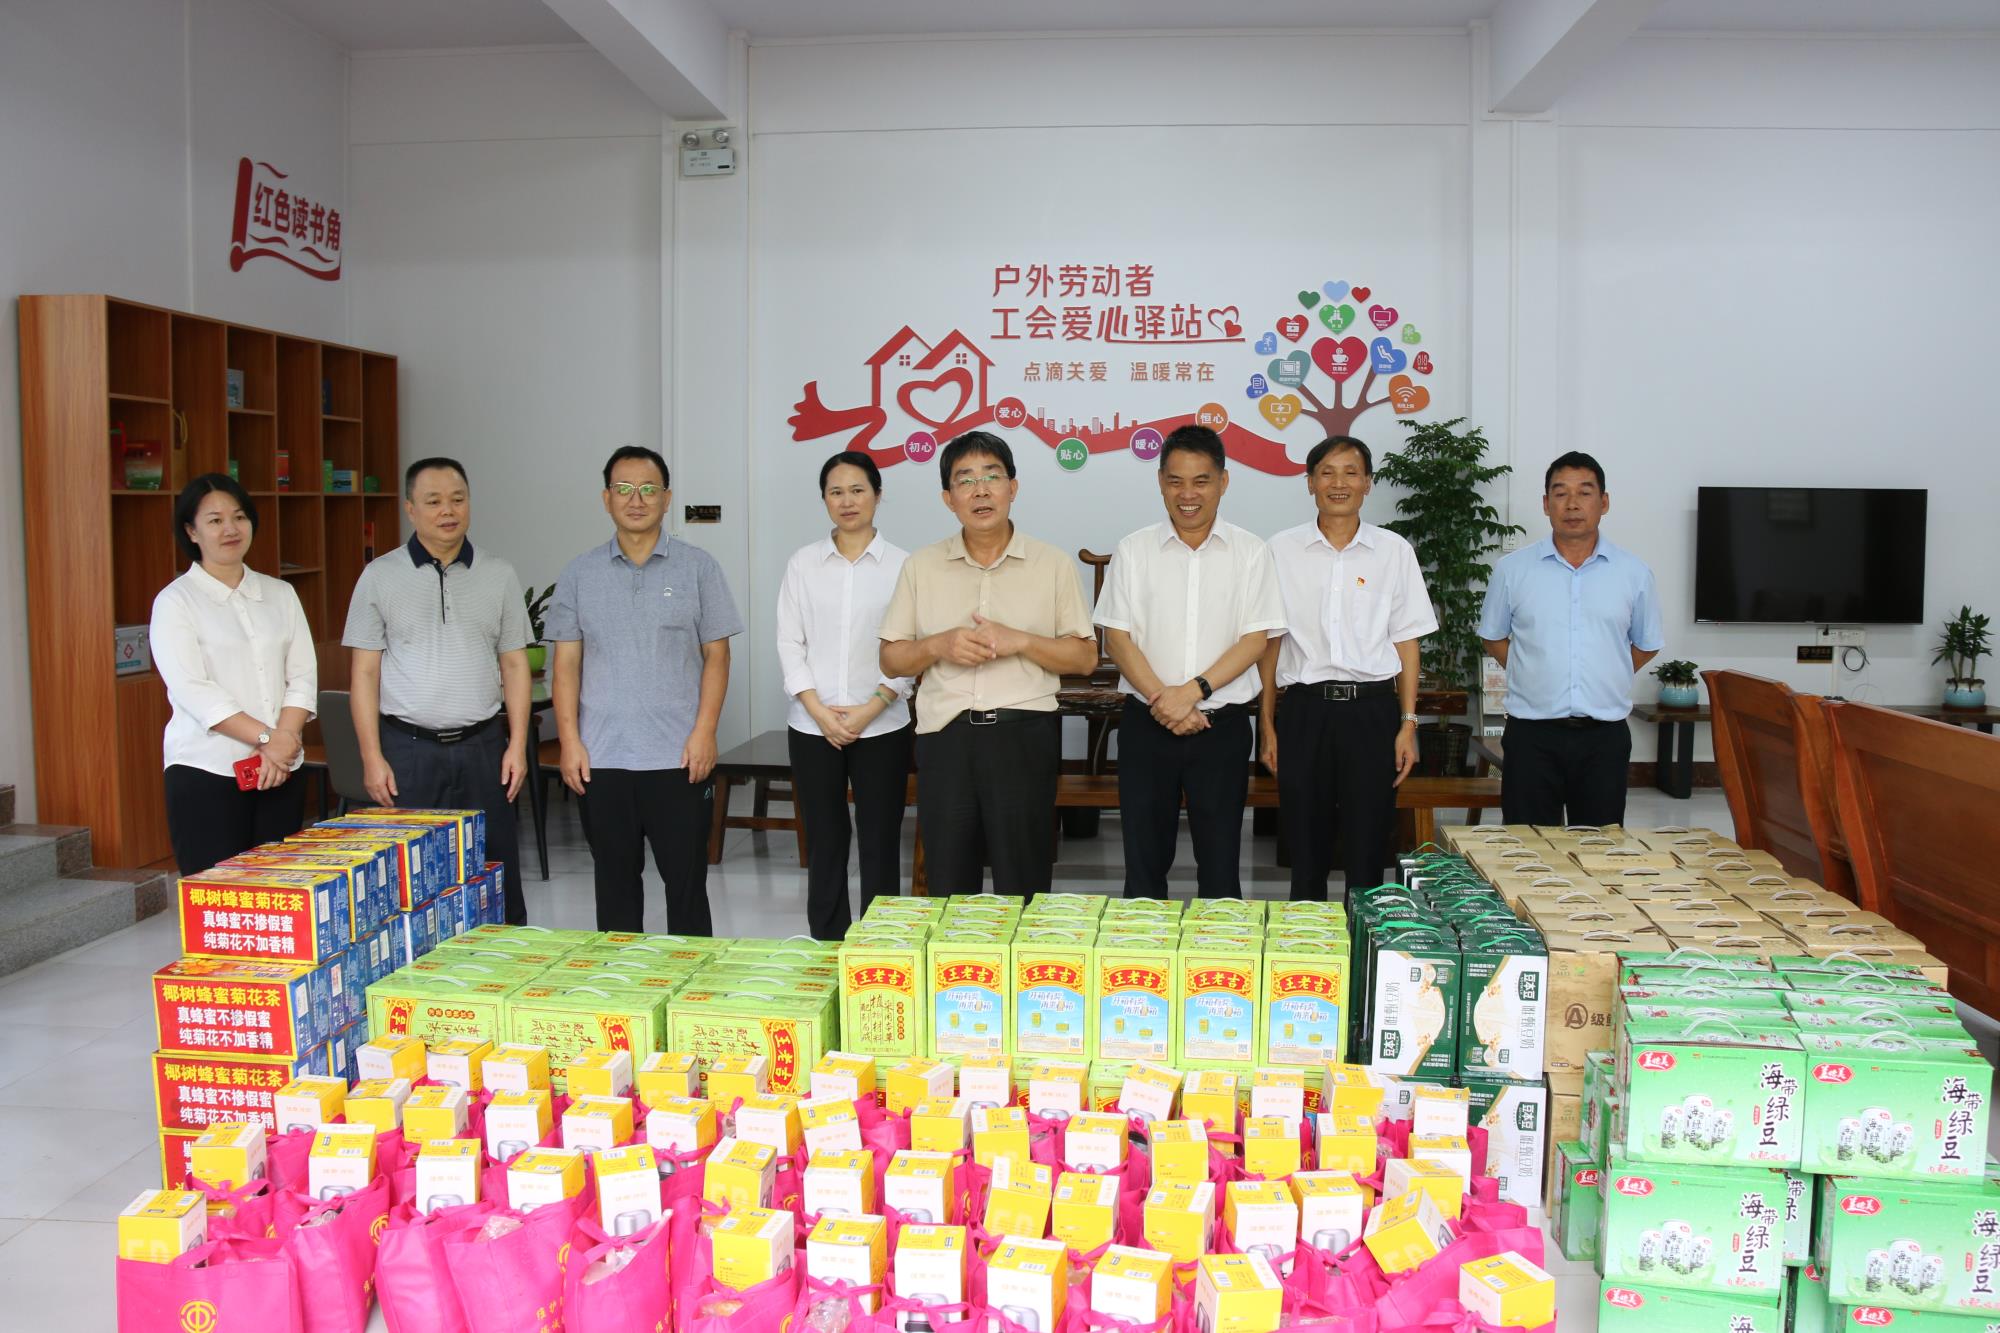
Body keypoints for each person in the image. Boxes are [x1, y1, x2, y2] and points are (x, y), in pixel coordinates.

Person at [879, 431, 1096, 895]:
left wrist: (1020, 641)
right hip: (946, 738)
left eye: (992, 476)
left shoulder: (1052, 564)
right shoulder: (921, 566)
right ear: (948, 498)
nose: (980, 490)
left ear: (1012, 487)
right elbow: (891, 659)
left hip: (1023, 735)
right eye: (965, 480)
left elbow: (1084, 657)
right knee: (949, 884)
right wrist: (940, 645)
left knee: (1025, 881)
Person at [548, 446, 743, 934]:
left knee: (686, 886)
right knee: (614, 887)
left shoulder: (698, 567)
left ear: (667, 498)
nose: (637, 500)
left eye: (649, 489)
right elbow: (566, 664)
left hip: (679, 756)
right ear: (606, 498)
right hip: (602, 758)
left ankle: (690, 978)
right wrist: (570, 742)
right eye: (624, 489)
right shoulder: (579, 573)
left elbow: (718, 656)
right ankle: (622, 980)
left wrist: (705, 732)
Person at [1093, 426, 1286, 898]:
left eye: (1201, 481)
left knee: (1220, 866)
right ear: (1161, 482)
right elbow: (1116, 637)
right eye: (1176, 481)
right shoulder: (1134, 549)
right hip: (1146, 725)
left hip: (1221, 728)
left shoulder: (1251, 552)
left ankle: (1218, 947)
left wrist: (1191, 692)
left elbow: (1255, 641)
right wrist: (1165, 702)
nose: (1188, 494)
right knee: (1143, 865)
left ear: (1223, 481)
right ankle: (1142, 947)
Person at [343, 457, 532, 923]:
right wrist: (371, 756)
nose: (448, 510)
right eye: (433, 501)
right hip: (408, 750)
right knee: (410, 881)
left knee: (495, 870)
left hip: (483, 748)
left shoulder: (499, 573)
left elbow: (514, 664)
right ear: (410, 508)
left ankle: (502, 958)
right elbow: (364, 674)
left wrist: (517, 746)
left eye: (457, 499)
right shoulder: (379, 576)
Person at [1261, 435, 1437, 900]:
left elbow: (1407, 643)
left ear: (1368, 483)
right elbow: (1269, 645)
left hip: (1372, 713)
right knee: (1305, 852)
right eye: (1327, 473)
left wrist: (1408, 723)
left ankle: (1365, 941)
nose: (1338, 483)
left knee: (1368, 852)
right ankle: (1306, 941)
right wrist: (1267, 724)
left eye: (1351, 472)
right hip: (1305, 711)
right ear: (1310, 483)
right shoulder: (1280, 550)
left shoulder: (1393, 551)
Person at [1479, 450, 1663, 827]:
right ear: (1546, 504)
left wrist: (1607, 670)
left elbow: (1646, 643)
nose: (1573, 504)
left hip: (1603, 738)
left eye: (1585, 492)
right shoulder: (1512, 570)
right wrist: (1531, 670)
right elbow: (1493, 637)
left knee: (1598, 848)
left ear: (1604, 502)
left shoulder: (1633, 573)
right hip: (1532, 736)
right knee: (1528, 847)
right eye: (1561, 493)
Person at [775, 452, 916, 939]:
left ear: (878, 495)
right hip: (811, 725)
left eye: (858, 490)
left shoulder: (904, 566)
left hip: (883, 723)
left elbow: (910, 648)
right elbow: (789, 642)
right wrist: (818, 710)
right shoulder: (803, 564)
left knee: (880, 838)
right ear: (824, 500)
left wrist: (872, 707)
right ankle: (827, 938)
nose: (847, 501)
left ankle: (880, 942)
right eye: (836, 492)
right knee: (824, 837)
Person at [151, 474, 317, 874]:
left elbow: (302, 675)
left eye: (239, 517)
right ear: (191, 532)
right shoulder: (175, 602)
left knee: (278, 892)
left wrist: (283, 742)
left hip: (281, 771)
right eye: (215, 520)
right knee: (218, 894)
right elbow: (193, 689)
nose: (230, 528)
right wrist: (268, 739)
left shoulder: (280, 594)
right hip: (207, 771)